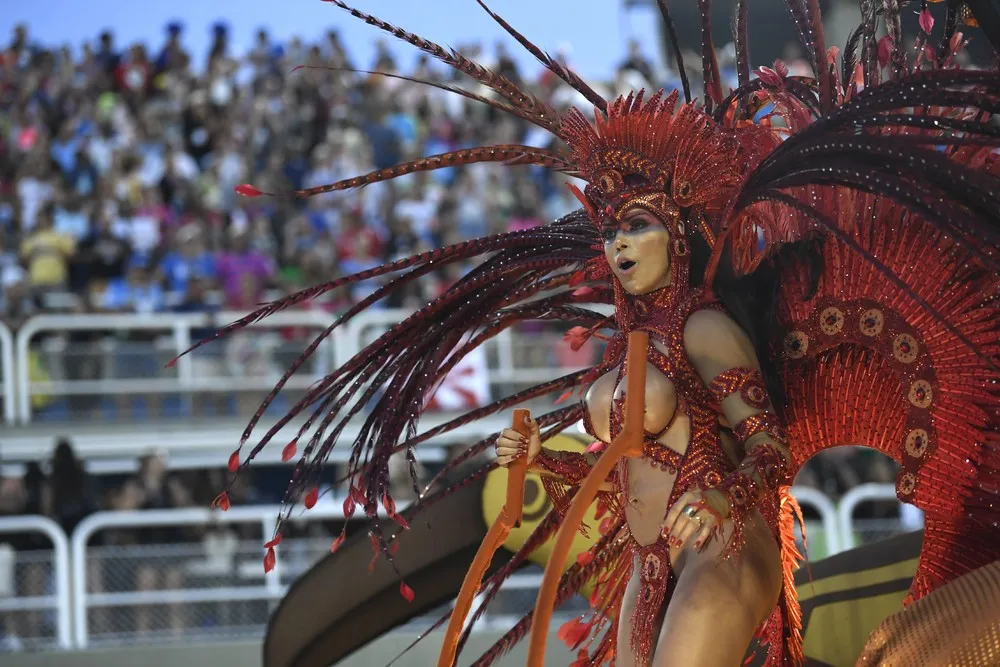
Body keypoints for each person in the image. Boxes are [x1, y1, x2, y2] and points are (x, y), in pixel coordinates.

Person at [190, 2, 1000, 665]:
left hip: (722, 546)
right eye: (610, 225)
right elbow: (610, 468)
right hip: (652, 562)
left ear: (677, 235)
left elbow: (765, 448)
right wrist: (535, 459)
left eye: (638, 224)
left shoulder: (704, 326)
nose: (617, 241)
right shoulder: (627, 352)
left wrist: (722, 496)